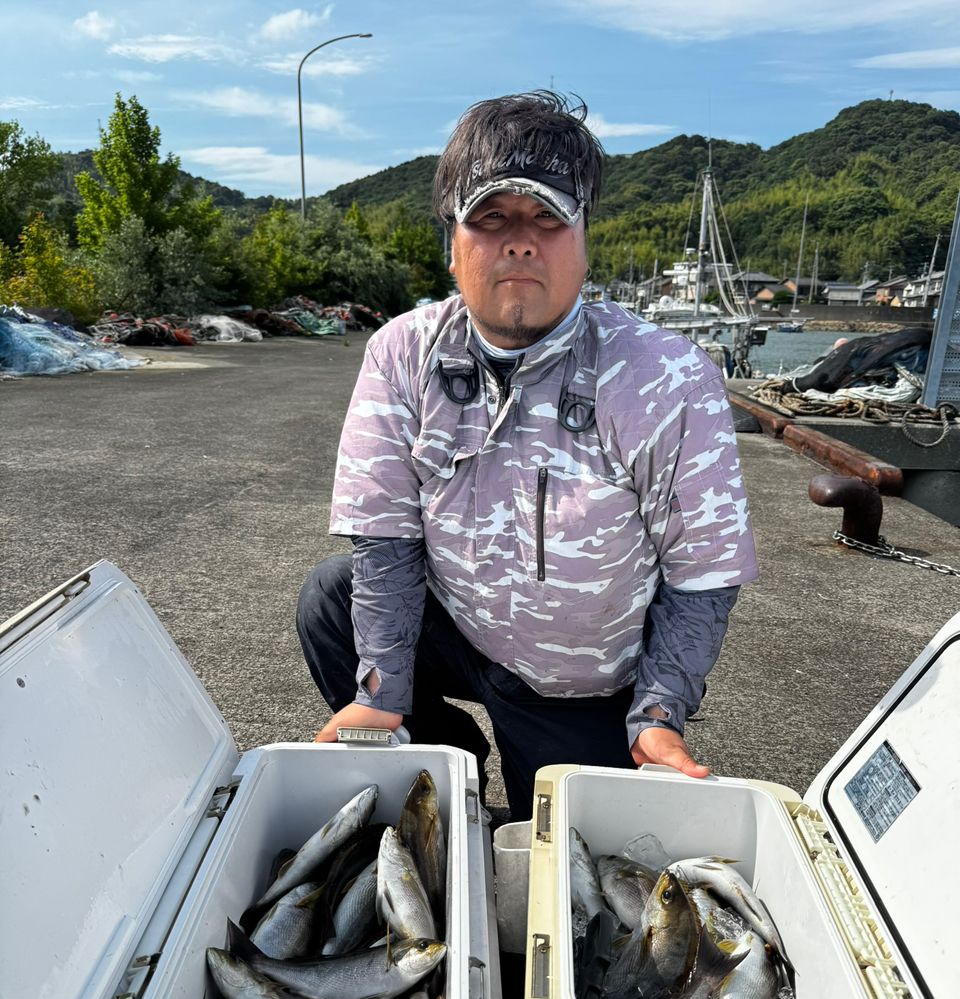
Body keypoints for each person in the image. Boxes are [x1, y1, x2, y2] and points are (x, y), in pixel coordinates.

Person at [297, 91, 759, 819]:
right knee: (331, 599)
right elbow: (383, 532)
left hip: (578, 681)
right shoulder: (402, 350)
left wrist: (660, 712)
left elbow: (704, 569)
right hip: (455, 625)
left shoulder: (666, 373)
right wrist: (377, 695)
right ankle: (444, 754)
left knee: (559, 860)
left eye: (547, 217)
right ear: (452, 238)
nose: (520, 241)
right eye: (491, 218)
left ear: (583, 237)